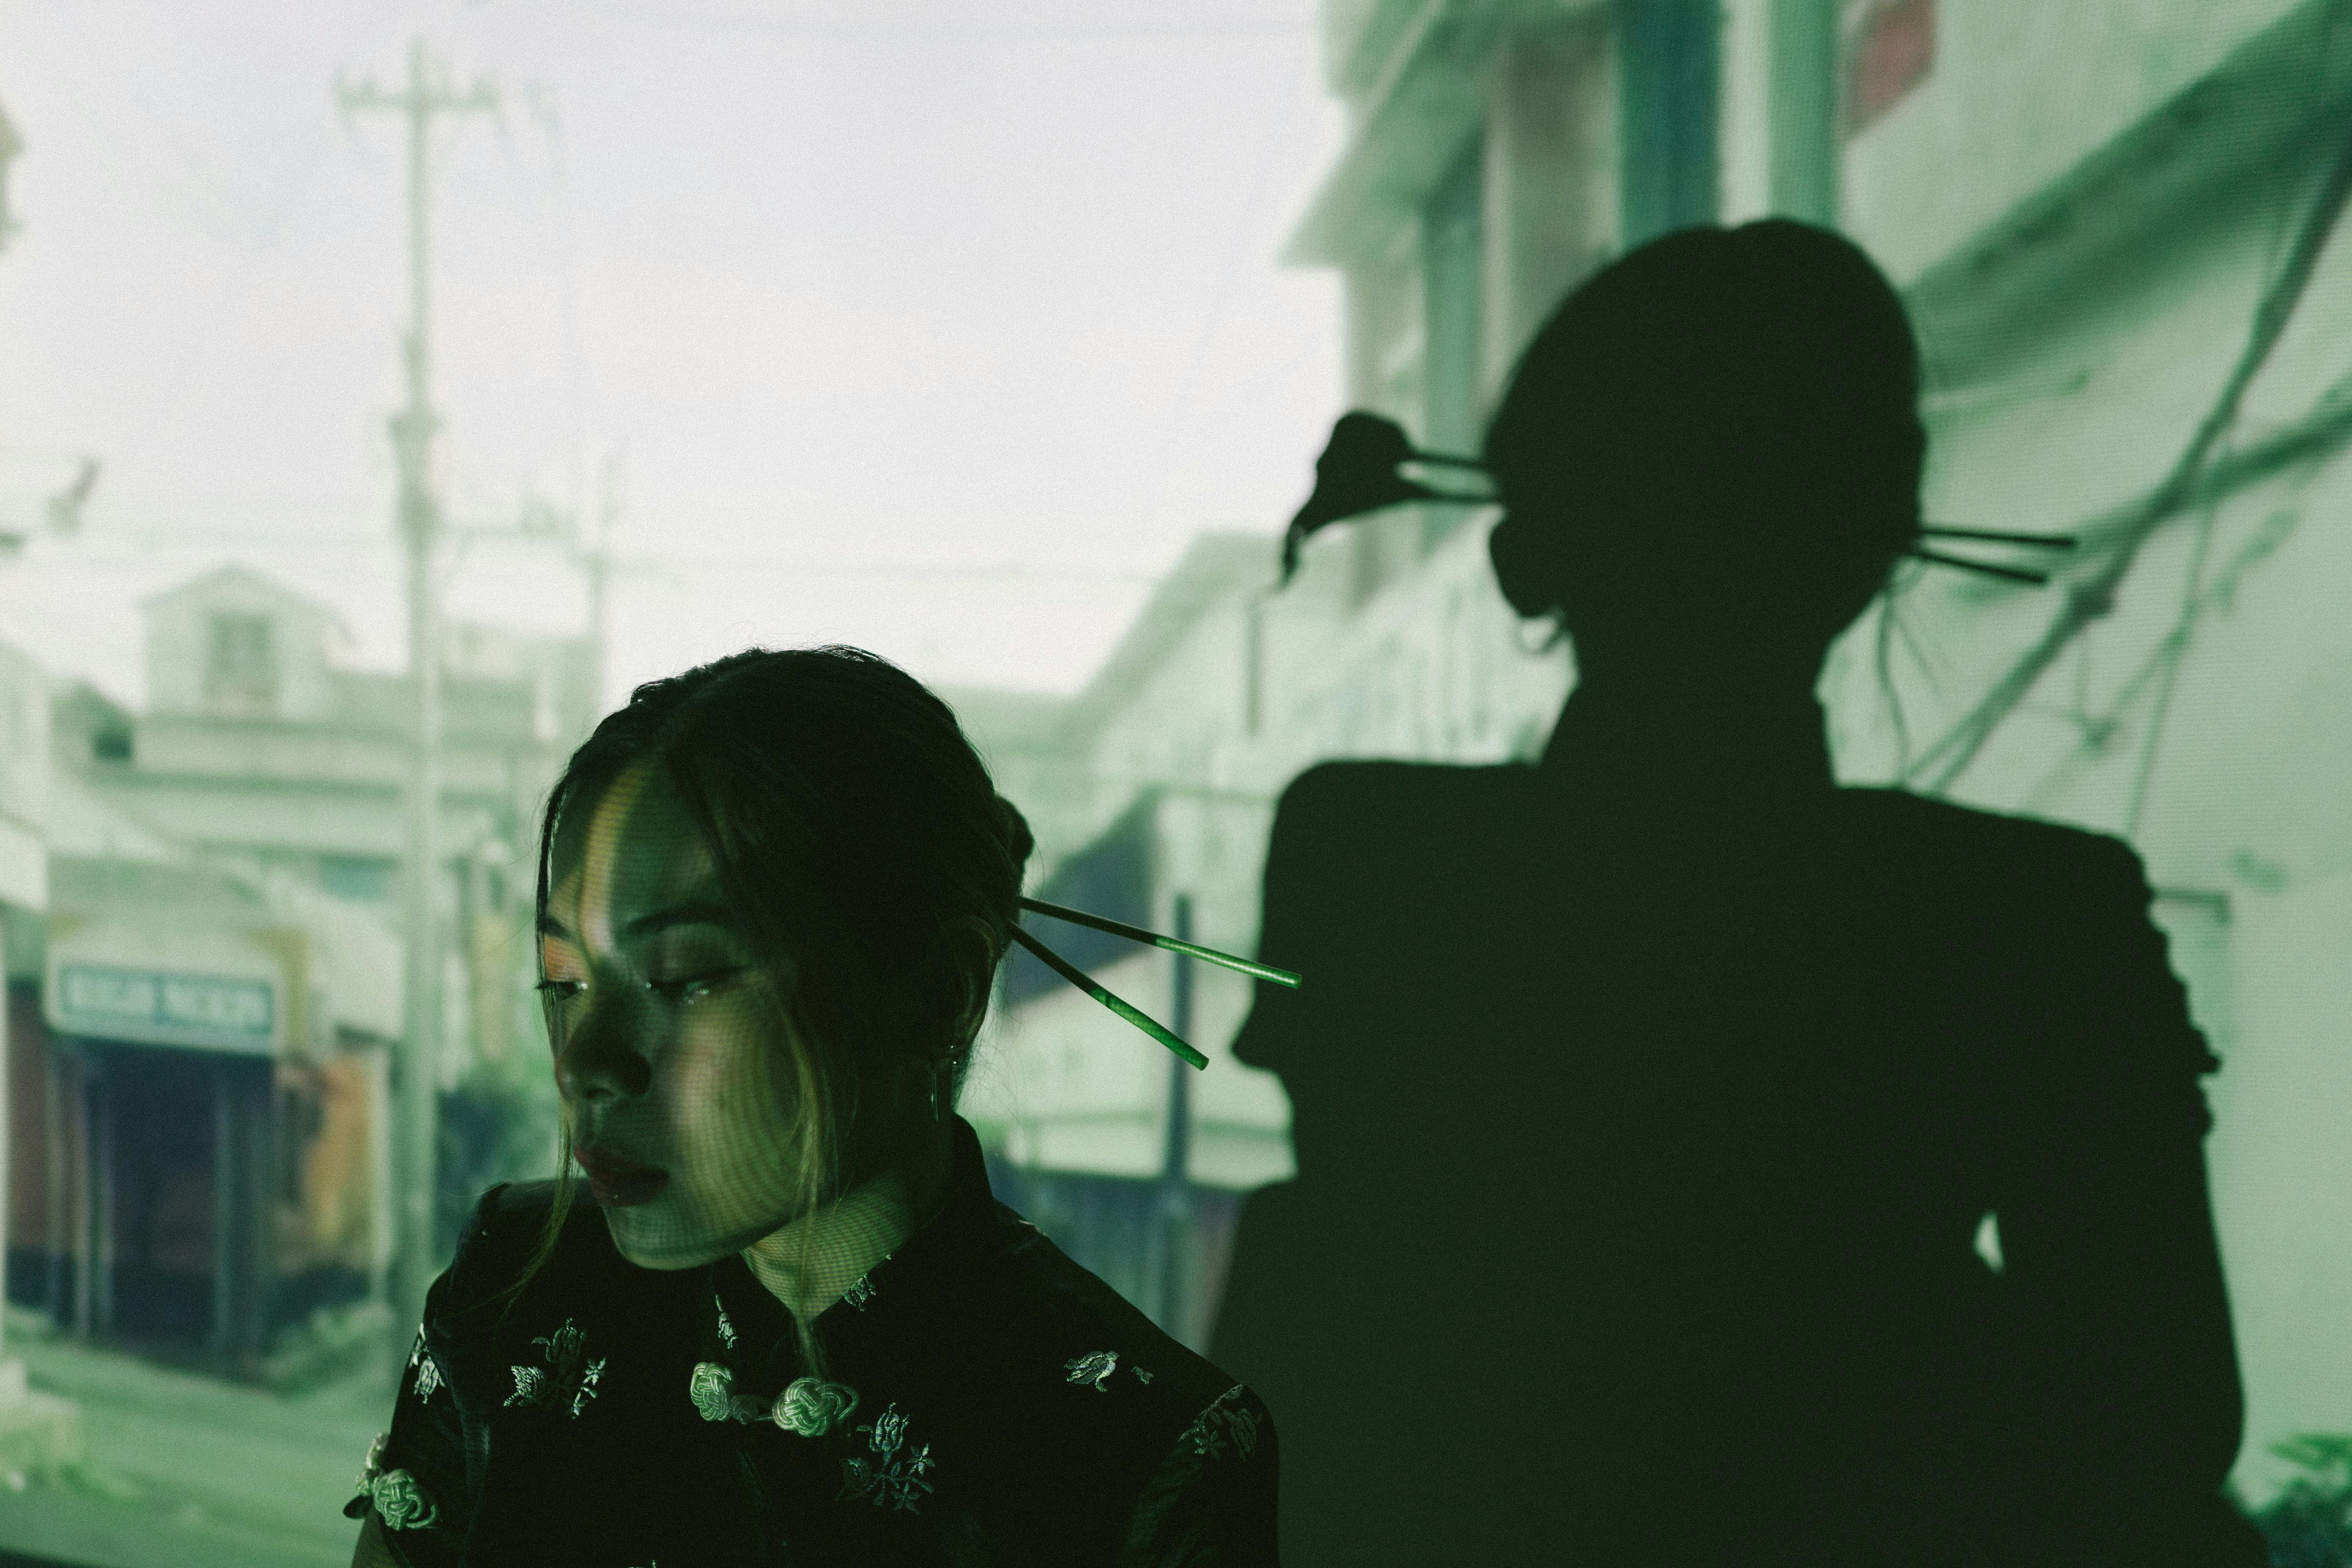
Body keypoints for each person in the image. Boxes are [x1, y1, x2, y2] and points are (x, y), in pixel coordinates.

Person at [1207, 220, 2264, 1567]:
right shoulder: (2039, 915)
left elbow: (1381, 1299)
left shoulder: (1370, 850)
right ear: (1883, 533)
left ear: (1523, 556)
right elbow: (2162, 1418)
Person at [347, 646, 1278, 1567]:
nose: (583, 1059)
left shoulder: (1141, 1448)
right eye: (564, 980)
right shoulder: (519, 1287)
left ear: (939, 995)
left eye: (685, 976)